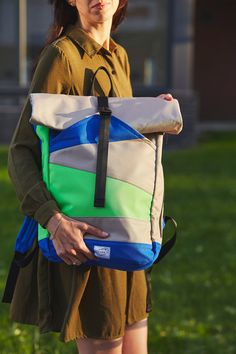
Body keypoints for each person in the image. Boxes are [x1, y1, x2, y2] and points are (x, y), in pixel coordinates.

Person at [6, 1, 173, 353]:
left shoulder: (119, 56)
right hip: (86, 238)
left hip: (127, 233)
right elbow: (21, 150)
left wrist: (151, 115)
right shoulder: (61, 56)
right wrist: (53, 220)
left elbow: (114, 144)